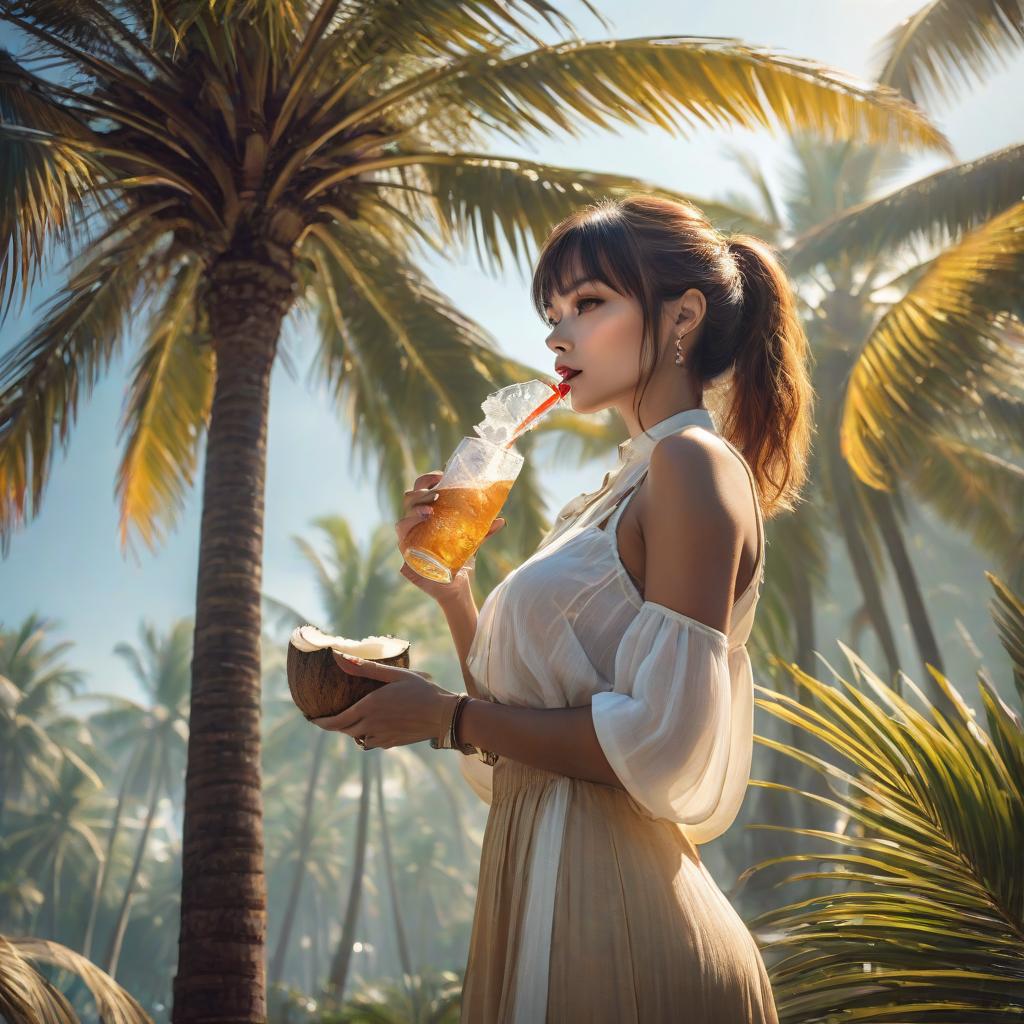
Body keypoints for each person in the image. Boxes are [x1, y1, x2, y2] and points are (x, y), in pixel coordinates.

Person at [314, 194, 814, 1022]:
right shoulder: (604, 498)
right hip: (541, 898)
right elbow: (515, 741)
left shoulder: (690, 463)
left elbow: (661, 739)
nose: (557, 335)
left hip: (620, 922)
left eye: (589, 304)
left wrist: (448, 717)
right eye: (552, 312)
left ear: (681, 315)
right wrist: (455, 595)